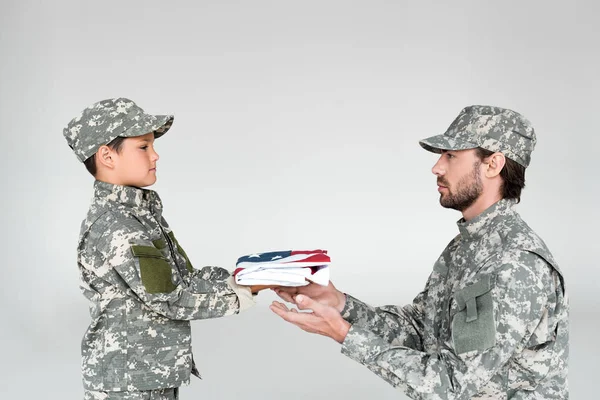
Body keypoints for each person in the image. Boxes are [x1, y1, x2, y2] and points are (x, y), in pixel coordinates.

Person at [271, 105, 569, 399]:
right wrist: (339, 305)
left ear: (493, 164)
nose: (437, 167)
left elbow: (452, 385)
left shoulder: (514, 263)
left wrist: (344, 333)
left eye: (451, 156)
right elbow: (421, 330)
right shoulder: (468, 246)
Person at [64, 98, 271, 400]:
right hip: (128, 384)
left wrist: (244, 278)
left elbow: (184, 280)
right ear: (107, 156)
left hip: (146, 378)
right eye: (143, 146)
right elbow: (170, 300)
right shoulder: (117, 225)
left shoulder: (139, 215)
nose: (155, 155)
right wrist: (246, 290)